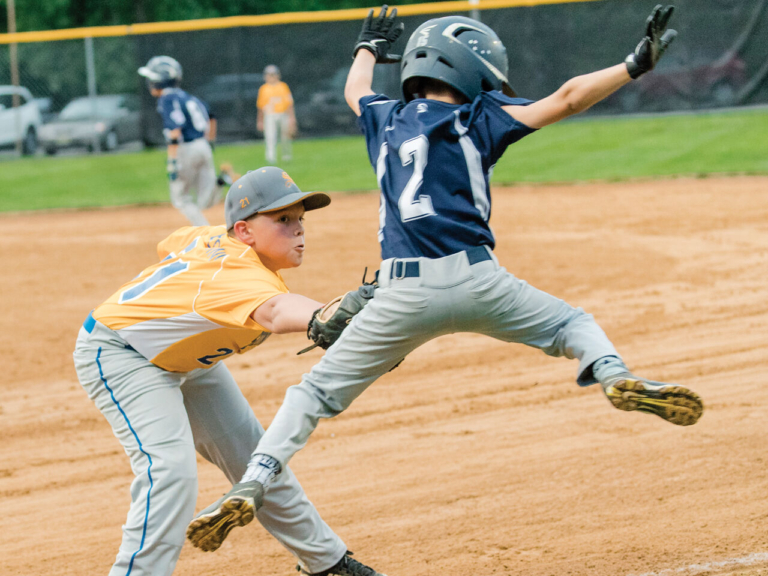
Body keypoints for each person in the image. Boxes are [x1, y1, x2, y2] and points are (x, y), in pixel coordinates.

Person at [186, 4, 703, 552]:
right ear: (472, 71)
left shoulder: (385, 118)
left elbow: (353, 89)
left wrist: (366, 47)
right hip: (479, 281)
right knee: (573, 324)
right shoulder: (478, 117)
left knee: (311, 393)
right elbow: (569, 97)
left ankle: (254, 480)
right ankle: (612, 374)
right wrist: (633, 65)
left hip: (400, 292)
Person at [73, 167, 386, 576]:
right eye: (282, 220)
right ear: (244, 231)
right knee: (169, 472)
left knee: (254, 457)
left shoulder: (214, 239)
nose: (298, 231)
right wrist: (324, 314)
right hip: (122, 354)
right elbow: (275, 312)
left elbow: (172, 243)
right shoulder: (239, 276)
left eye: (300, 219)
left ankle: (328, 565)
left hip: (189, 360)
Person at [138, 56, 235, 226]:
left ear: (160, 80)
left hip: (186, 149)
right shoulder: (188, 97)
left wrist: (172, 161)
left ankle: (205, 234)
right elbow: (212, 118)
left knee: (181, 199)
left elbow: (175, 131)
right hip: (203, 145)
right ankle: (220, 183)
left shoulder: (166, 99)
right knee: (206, 202)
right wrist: (210, 143)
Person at [257, 64, 297, 164]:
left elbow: (289, 103)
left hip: (283, 114)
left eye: (273, 74)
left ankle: (286, 155)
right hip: (270, 115)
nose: (271, 77)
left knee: (285, 136)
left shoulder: (283, 86)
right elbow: (260, 107)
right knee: (270, 137)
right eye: (269, 74)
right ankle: (271, 157)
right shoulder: (263, 89)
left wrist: (292, 118)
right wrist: (260, 121)